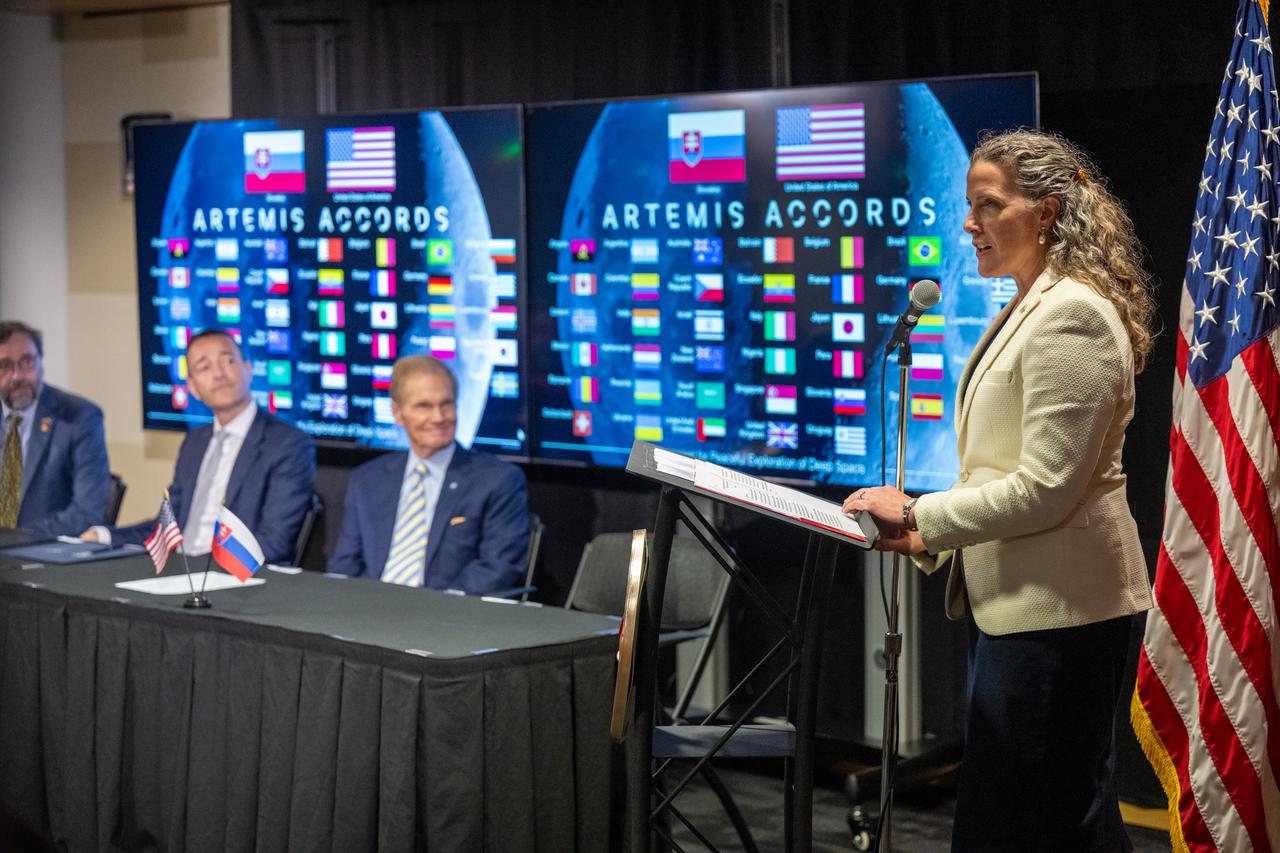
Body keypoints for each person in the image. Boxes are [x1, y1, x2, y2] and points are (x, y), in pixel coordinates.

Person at [842, 130, 1156, 852]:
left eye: (988, 205)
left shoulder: (1072, 314)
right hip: (1020, 609)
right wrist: (924, 531)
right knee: (1051, 818)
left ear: (1046, 212)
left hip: (1059, 621)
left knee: (1032, 824)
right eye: (968, 205)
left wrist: (921, 512)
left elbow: (1046, 487)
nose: (969, 224)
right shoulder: (1029, 304)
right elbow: (1003, 467)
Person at [84, 329, 315, 565]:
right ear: (193, 388)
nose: (219, 374)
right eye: (204, 367)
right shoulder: (195, 442)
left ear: (248, 369)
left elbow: (273, 543)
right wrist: (104, 535)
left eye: (228, 361)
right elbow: (167, 528)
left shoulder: (288, 444)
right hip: (179, 571)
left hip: (235, 582)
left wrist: (199, 570)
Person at [327, 355, 529, 594]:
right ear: (398, 412)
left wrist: (429, 610)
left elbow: (497, 569)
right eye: (424, 406)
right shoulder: (367, 479)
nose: (439, 417)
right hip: (368, 612)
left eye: (447, 404)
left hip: (446, 617)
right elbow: (344, 565)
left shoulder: (498, 480)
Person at [0, 320, 110, 536]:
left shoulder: (80, 417)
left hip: (44, 555)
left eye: (27, 362)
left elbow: (87, 513)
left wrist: (13, 538)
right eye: (5, 366)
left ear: (41, 363)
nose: (18, 376)